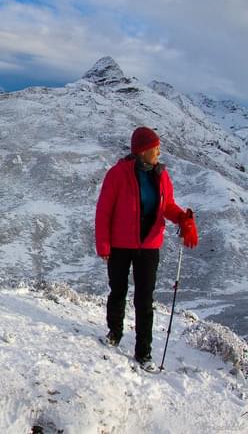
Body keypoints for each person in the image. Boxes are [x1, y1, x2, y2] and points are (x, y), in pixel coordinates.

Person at [95, 126, 198, 371]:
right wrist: (103, 244)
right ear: (142, 151)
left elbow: (167, 205)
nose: (159, 152)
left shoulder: (161, 175)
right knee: (117, 291)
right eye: (155, 148)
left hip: (149, 245)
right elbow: (104, 211)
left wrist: (183, 218)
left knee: (144, 299)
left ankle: (144, 352)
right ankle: (114, 333)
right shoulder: (118, 174)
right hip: (120, 245)